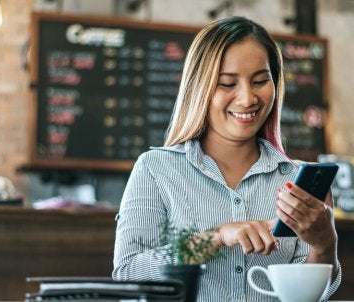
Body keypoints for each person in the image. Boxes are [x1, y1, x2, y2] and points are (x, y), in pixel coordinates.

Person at [112, 16, 341, 301]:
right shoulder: (156, 170)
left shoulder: (296, 181)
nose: (247, 99)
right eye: (227, 84)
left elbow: (307, 297)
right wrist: (217, 237)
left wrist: (324, 244)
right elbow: (128, 272)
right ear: (199, 89)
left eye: (260, 81)